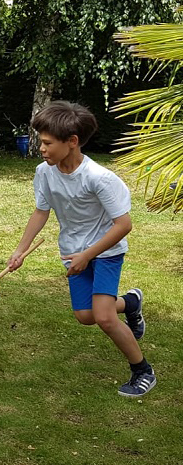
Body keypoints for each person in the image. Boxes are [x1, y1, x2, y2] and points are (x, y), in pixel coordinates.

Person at [8, 101, 155, 398]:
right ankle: (130, 303)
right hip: (72, 252)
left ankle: (143, 371)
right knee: (86, 315)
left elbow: (123, 224)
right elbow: (41, 211)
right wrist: (20, 250)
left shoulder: (99, 178)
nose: (41, 149)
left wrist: (88, 255)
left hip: (106, 251)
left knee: (104, 317)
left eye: (48, 143)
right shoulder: (44, 172)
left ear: (72, 142)